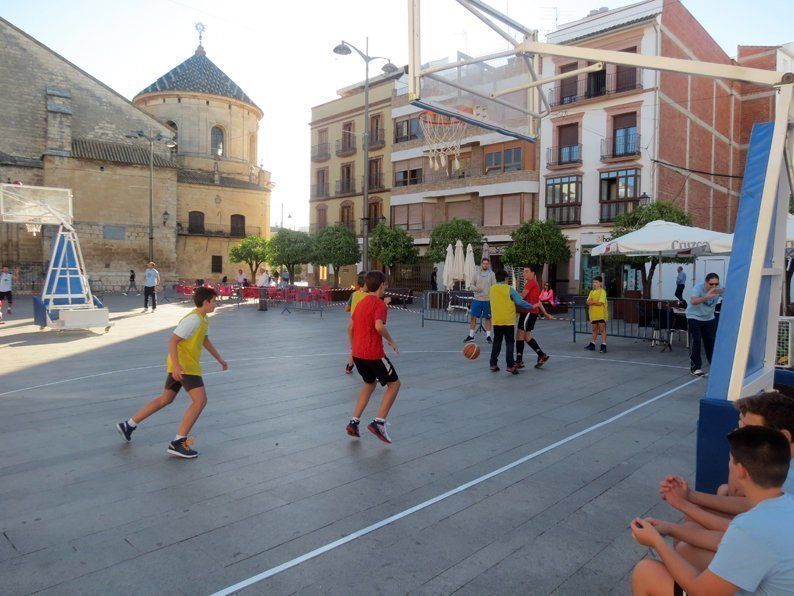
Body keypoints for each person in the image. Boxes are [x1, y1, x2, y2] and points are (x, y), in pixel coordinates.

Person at [630, 425, 794, 596]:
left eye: (731, 460)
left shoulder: (749, 528)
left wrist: (656, 542)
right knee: (688, 543)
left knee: (646, 571)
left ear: (740, 471)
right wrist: (669, 528)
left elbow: (701, 591)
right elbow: (726, 537)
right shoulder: (786, 504)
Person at [649, 392, 794, 571]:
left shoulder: (786, 478)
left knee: (678, 554)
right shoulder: (777, 468)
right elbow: (746, 507)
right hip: (763, 546)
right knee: (700, 515)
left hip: (767, 564)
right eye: (738, 425)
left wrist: (683, 507)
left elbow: (741, 528)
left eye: (748, 429)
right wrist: (689, 497)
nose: (737, 434)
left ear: (784, 437)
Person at [116, 287, 227, 458]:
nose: (217, 304)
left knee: (165, 399)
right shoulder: (193, 320)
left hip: (184, 365)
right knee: (200, 401)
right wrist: (176, 366)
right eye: (215, 301)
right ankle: (178, 442)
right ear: (206, 302)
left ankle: (128, 425)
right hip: (185, 367)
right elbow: (173, 341)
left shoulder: (203, 320)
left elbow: (204, 340)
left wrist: (219, 359)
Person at [345, 270, 400, 444]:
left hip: (358, 354)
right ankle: (379, 422)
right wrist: (390, 340)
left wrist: (353, 348)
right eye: (385, 284)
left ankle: (354, 422)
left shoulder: (360, 303)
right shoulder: (379, 304)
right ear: (382, 285)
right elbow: (378, 326)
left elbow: (350, 328)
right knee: (394, 384)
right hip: (373, 354)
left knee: (369, 384)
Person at [488, 270, 534, 374]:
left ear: (496, 278)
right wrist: (531, 306)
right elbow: (519, 301)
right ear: (506, 279)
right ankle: (510, 365)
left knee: (497, 341)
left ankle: (493, 364)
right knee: (509, 342)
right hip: (508, 320)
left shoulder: (491, 289)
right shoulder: (509, 289)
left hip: (497, 320)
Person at [515, 265, 556, 369]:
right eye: (524, 272)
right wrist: (546, 314)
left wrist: (510, 295)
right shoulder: (534, 284)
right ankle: (541, 355)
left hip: (528, 312)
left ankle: (520, 361)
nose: (524, 273)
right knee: (526, 336)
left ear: (532, 273)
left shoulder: (531, 283)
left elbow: (521, 297)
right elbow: (538, 301)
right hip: (531, 312)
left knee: (520, 335)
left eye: (527, 271)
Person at [685, 272, 720, 377]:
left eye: (716, 284)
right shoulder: (698, 288)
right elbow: (694, 301)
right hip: (694, 317)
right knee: (696, 341)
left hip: (709, 318)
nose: (713, 286)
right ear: (706, 282)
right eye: (711, 284)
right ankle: (695, 368)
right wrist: (706, 296)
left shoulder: (719, 288)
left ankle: (714, 366)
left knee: (711, 342)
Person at [465, 257, 496, 344]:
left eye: (487, 263)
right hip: (477, 299)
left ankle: (488, 336)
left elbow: (494, 286)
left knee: (488, 318)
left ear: (489, 264)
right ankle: (471, 336)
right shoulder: (476, 273)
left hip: (487, 299)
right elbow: (471, 285)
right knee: (473, 317)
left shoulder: (492, 274)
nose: (485, 265)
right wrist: (476, 289)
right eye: (484, 263)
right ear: (481, 264)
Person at [344, 274, 368, 375]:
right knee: (367, 347)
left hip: (352, 325)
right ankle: (371, 369)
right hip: (364, 326)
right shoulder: (369, 296)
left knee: (353, 347)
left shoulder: (354, 294)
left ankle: (349, 366)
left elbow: (346, 309)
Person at [585, 275, 608, 353]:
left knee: (602, 330)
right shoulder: (592, 292)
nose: (594, 284)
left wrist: (593, 302)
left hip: (601, 314)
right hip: (593, 314)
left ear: (600, 283)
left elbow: (600, 303)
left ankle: (603, 345)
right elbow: (587, 302)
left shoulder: (603, 292)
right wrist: (593, 302)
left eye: (596, 282)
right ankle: (592, 344)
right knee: (594, 329)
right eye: (593, 282)